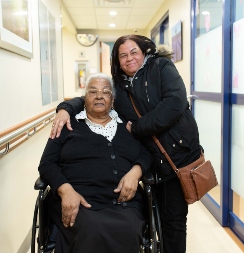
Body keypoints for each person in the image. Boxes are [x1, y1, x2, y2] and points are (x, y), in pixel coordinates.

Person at [51, 35, 202, 253]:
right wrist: (65, 108)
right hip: (152, 160)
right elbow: (94, 95)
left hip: (176, 157)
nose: (129, 58)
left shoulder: (161, 67)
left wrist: (138, 129)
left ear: (144, 52)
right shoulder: (119, 88)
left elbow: (175, 103)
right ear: (117, 61)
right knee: (156, 216)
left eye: (133, 52)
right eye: (123, 55)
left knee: (174, 222)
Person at [39, 73, 151, 253]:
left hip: (123, 203)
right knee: (93, 228)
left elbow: (146, 153)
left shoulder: (127, 126)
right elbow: (46, 164)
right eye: (93, 92)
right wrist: (66, 191)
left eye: (106, 92)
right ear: (84, 99)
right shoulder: (68, 126)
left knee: (128, 228)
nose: (99, 96)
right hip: (80, 201)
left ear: (112, 100)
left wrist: (136, 171)